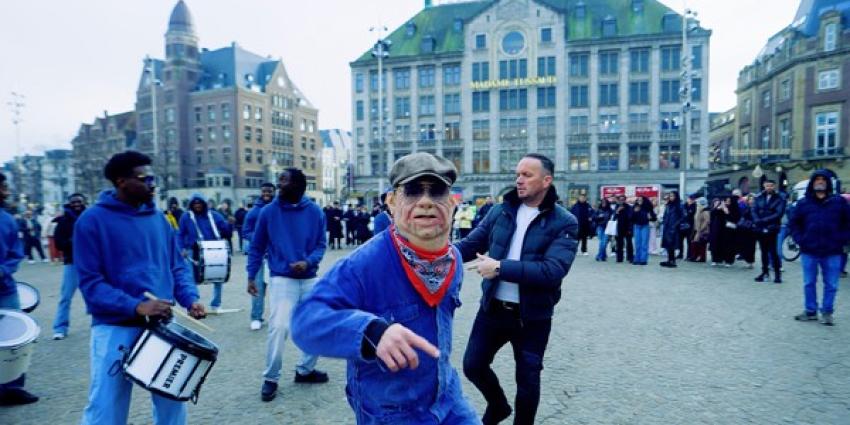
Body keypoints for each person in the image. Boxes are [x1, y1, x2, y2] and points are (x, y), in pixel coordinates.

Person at [291, 152, 478, 424]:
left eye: (436, 191)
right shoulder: (363, 264)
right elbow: (304, 322)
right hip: (391, 412)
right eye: (412, 191)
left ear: (451, 203)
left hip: (448, 400)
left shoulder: (453, 259)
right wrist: (372, 332)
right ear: (391, 202)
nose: (425, 201)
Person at [75, 151, 205, 424]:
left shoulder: (159, 219)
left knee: (173, 401)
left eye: (153, 178)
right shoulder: (91, 220)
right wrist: (135, 305)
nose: (152, 184)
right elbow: (91, 284)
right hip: (115, 327)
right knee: (106, 406)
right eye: (145, 178)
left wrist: (190, 298)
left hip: (162, 325)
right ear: (121, 181)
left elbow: (176, 267)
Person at [457, 153, 578, 425]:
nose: (518, 180)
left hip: (532, 316)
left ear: (546, 180)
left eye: (527, 175)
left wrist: (500, 267)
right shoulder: (501, 210)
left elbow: (553, 270)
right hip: (493, 310)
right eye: (517, 174)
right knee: (473, 365)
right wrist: (436, 257)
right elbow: (470, 244)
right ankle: (498, 405)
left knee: (527, 381)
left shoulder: (564, 221)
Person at [246, 168, 329, 402]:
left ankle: (305, 370)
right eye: (279, 180)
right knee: (279, 327)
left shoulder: (315, 212)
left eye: (284, 181)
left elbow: (322, 244)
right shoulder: (268, 212)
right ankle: (271, 378)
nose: (278, 185)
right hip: (282, 278)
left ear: (299, 186)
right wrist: (251, 275)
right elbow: (256, 246)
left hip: (310, 277)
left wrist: (309, 261)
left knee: (316, 326)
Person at [789, 170, 850, 325]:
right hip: (809, 249)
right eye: (817, 179)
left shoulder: (839, 202)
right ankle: (810, 311)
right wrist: (799, 239)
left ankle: (827, 312)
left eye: (823, 179)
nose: (820, 181)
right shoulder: (803, 203)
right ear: (812, 182)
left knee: (831, 284)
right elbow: (794, 223)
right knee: (809, 282)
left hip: (833, 250)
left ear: (828, 183)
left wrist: (842, 239)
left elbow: (847, 223)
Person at [0, 171, 38, 406]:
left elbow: (17, 253)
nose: (6, 191)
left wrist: (3, 270)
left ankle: (13, 386)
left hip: (5, 290)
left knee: (16, 340)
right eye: (2, 187)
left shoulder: (8, 220)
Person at [178, 194, 230, 312]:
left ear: (204, 204)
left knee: (218, 275)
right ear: (191, 205)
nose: (197, 206)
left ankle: (216, 304)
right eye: (195, 204)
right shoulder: (186, 217)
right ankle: (193, 305)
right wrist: (181, 249)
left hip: (213, 248)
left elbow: (226, 231)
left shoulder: (214, 215)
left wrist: (229, 225)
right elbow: (180, 234)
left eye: (199, 203)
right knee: (190, 278)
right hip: (192, 249)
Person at [51, 193, 87, 340]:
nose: (76, 204)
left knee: (98, 294)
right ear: (69, 203)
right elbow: (58, 243)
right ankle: (60, 327)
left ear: (84, 202)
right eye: (73, 202)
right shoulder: (63, 221)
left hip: (90, 263)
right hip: (71, 263)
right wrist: (72, 242)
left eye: (79, 201)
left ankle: (104, 324)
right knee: (65, 297)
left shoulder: (90, 217)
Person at [243, 182, 275, 331]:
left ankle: (276, 318)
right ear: (260, 192)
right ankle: (256, 317)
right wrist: (258, 237)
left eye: (269, 191)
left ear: (274, 192)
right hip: (259, 255)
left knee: (278, 288)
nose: (266, 193)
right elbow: (246, 231)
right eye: (264, 191)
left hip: (275, 255)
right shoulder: (253, 212)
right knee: (258, 287)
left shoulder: (279, 210)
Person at [752, 180, 785, 283]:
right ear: (764, 186)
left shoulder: (780, 198)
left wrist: (763, 220)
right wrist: (757, 220)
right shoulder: (758, 198)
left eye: (771, 186)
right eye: (767, 186)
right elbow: (754, 210)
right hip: (760, 228)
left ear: (774, 186)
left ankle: (777, 274)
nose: (769, 188)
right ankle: (765, 272)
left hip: (772, 228)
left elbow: (778, 213)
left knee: (773, 252)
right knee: (763, 252)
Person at [660, 192, 686, 268]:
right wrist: (664, 221)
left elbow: (683, 216)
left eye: (672, 196)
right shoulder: (668, 205)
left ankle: (673, 261)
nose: (671, 197)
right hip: (667, 227)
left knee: (672, 244)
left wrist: (676, 224)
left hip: (674, 228)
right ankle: (669, 260)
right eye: (670, 196)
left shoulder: (679, 205)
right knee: (667, 244)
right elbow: (665, 215)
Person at [631, 196, 657, 265]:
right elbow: (631, 218)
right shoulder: (635, 207)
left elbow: (654, 218)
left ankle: (643, 260)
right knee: (637, 243)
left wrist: (650, 217)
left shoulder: (648, 208)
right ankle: (637, 259)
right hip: (637, 226)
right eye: (638, 200)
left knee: (644, 244)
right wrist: (635, 212)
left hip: (645, 226)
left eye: (641, 200)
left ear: (644, 200)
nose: (639, 201)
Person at [738, 195, 757, 269]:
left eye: (752, 199)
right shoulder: (745, 207)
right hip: (745, 228)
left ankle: (751, 262)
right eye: (750, 199)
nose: (751, 201)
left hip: (752, 229)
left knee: (751, 246)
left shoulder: (756, 208)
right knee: (745, 245)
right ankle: (748, 260)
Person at [613, 195, 634, 263]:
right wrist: (617, 211)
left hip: (627, 227)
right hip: (619, 227)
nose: (621, 201)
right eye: (620, 199)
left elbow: (631, 218)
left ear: (625, 200)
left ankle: (630, 257)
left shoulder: (629, 207)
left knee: (629, 243)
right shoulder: (616, 207)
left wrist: (630, 229)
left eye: (623, 199)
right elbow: (614, 218)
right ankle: (619, 258)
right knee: (619, 243)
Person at [691, 198, 711, 262]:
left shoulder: (705, 211)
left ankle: (701, 257)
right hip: (698, 230)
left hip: (702, 231)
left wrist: (700, 230)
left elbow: (707, 221)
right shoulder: (699, 210)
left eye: (698, 203)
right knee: (696, 242)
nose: (697, 204)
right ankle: (696, 256)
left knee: (701, 244)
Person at [684, 195, 697, 260]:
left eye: (690, 199)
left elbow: (691, 214)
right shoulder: (685, 205)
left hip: (691, 225)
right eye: (688, 199)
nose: (689, 200)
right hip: (684, 225)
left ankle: (690, 255)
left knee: (690, 241)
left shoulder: (694, 206)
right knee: (685, 241)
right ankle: (686, 255)